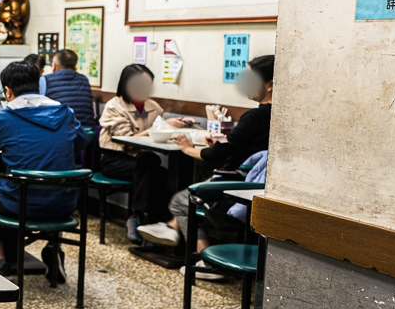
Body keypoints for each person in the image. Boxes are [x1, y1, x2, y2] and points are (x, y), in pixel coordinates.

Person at [138, 55, 276, 248]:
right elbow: (237, 145)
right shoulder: (279, 116)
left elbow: (215, 155)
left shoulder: (256, 116)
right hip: (253, 188)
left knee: (180, 201)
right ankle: (169, 227)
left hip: (235, 189)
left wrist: (187, 148)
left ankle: (203, 259)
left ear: (269, 85)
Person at [0, 60, 86, 284]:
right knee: (53, 182)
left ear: (7, 91)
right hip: (66, 204)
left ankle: (0, 261)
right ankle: (54, 247)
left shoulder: (2, 118)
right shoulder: (65, 112)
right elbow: (81, 142)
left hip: (20, 204)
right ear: (39, 85)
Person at [98, 64, 191, 243]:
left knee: (160, 172)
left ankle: (146, 222)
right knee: (152, 168)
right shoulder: (114, 106)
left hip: (142, 161)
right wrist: (161, 126)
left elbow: (159, 131)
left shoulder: (152, 106)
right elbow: (126, 142)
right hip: (115, 160)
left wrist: (176, 125)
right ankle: (148, 220)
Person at [42, 49, 98, 133]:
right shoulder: (84, 79)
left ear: (53, 66)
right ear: (75, 66)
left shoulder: (45, 80)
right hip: (86, 130)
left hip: (60, 130)